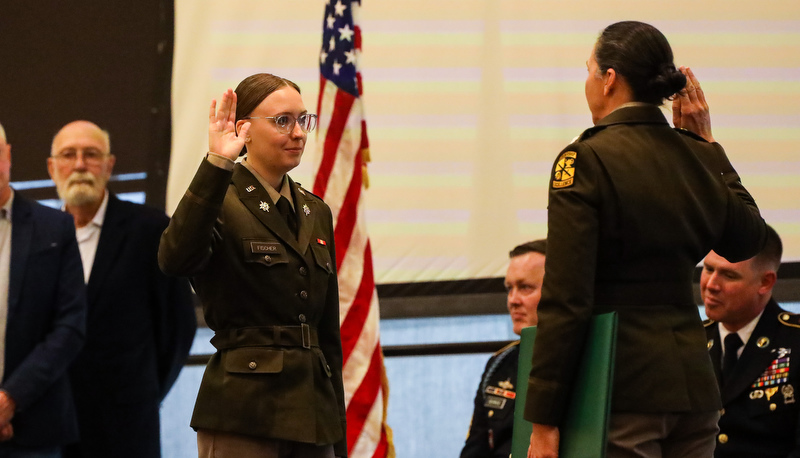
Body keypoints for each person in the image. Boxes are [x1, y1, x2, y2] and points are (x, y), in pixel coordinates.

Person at [523, 21, 767, 458]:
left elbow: (567, 299)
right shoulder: (695, 153)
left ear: (609, 79)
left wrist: (543, 419)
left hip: (620, 387)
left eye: (589, 71)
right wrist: (709, 144)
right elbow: (748, 238)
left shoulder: (585, 160)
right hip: (694, 388)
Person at [158, 73, 346, 458]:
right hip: (243, 408)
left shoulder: (315, 210)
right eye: (282, 121)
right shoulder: (219, 199)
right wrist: (216, 164)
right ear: (244, 129)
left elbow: (326, 333)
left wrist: (337, 427)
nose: (298, 133)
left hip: (313, 411)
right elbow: (174, 259)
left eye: (303, 119)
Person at [46, 120, 197, 458]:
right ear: (52, 167)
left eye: (91, 154)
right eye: (69, 155)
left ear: (110, 165)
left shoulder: (150, 229)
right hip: (54, 428)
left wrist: (143, 393)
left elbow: (178, 327)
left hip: (127, 428)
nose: (80, 164)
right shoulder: (41, 237)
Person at [0, 122, 87, 456]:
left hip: (34, 428)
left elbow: (70, 326)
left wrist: (10, 400)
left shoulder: (54, 227)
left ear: (8, 155)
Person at [701, 225, 800, 458]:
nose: (711, 285)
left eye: (729, 275)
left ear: (765, 282)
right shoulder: (690, 340)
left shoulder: (795, 341)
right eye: (708, 269)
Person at [461, 240, 546, 458]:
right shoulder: (499, 363)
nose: (513, 300)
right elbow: (475, 448)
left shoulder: (592, 364)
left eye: (525, 287)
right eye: (509, 289)